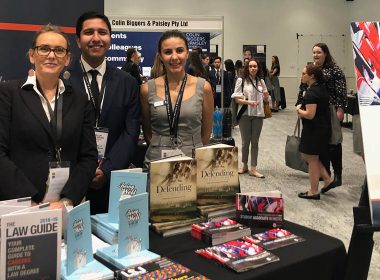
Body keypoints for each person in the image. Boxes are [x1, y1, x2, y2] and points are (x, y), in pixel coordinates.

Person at [0, 24, 98, 207]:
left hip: (65, 205)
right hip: (20, 206)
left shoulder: (80, 100)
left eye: (59, 50)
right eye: (44, 49)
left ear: (67, 59)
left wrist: (66, 201)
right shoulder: (7, 94)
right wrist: (28, 201)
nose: (52, 55)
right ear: (32, 55)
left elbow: (89, 156)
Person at [66, 11, 141, 214]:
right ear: (78, 40)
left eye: (103, 32)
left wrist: (106, 170)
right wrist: (84, 171)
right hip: (71, 184)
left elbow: (130, 131)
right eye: (89, 32)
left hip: (112, 181)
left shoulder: (127, 82)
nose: (96, 38)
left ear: (109, 39)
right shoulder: (62, 81)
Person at [140, 30, 213, 163]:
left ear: (187, 54)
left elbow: (206, 133)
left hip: (192, 161)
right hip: (157, 161)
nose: (174, 57)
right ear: (161, 56)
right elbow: (147, 131)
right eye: (168, 52)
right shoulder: (147, 89)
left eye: (179, 50)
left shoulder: (203, 87)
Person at [298, 43, 347, 187]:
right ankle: (325, 173)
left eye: (319, 52)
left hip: (330, 109)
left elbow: (341, 91)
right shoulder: (311, 68)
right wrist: (299, 103)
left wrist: (340, 108)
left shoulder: (335, 70)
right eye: (314, 52)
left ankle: (337, 174)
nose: (316, 55)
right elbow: (302, 87)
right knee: (320, 142)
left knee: (334, 142)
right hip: (313, 110)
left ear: (325, 53)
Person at [296, 64, 335, 200]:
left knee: (311, 158)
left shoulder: (312, 92)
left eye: (303, 73)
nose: (302, 75)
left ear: (311, 76)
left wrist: (299, 110)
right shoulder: (320, 88)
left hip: (314, 129)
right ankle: (327, 179)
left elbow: (310, 114)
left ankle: (313, 191)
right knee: (309, 157)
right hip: (320, 128)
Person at [232, 59, 269, 178]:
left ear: (258, 68)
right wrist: (249, 102)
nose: (253, 68)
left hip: (258, 114)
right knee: (245, 142)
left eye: (255, 66)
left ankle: (254, 168)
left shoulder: (261, 81)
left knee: (255, 142)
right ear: (247, 68)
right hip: (245, 114)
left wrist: (266, 97)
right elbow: (237, 99)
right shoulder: (241, 80)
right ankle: (244, 165)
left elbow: (266, 99)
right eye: (251, 66)